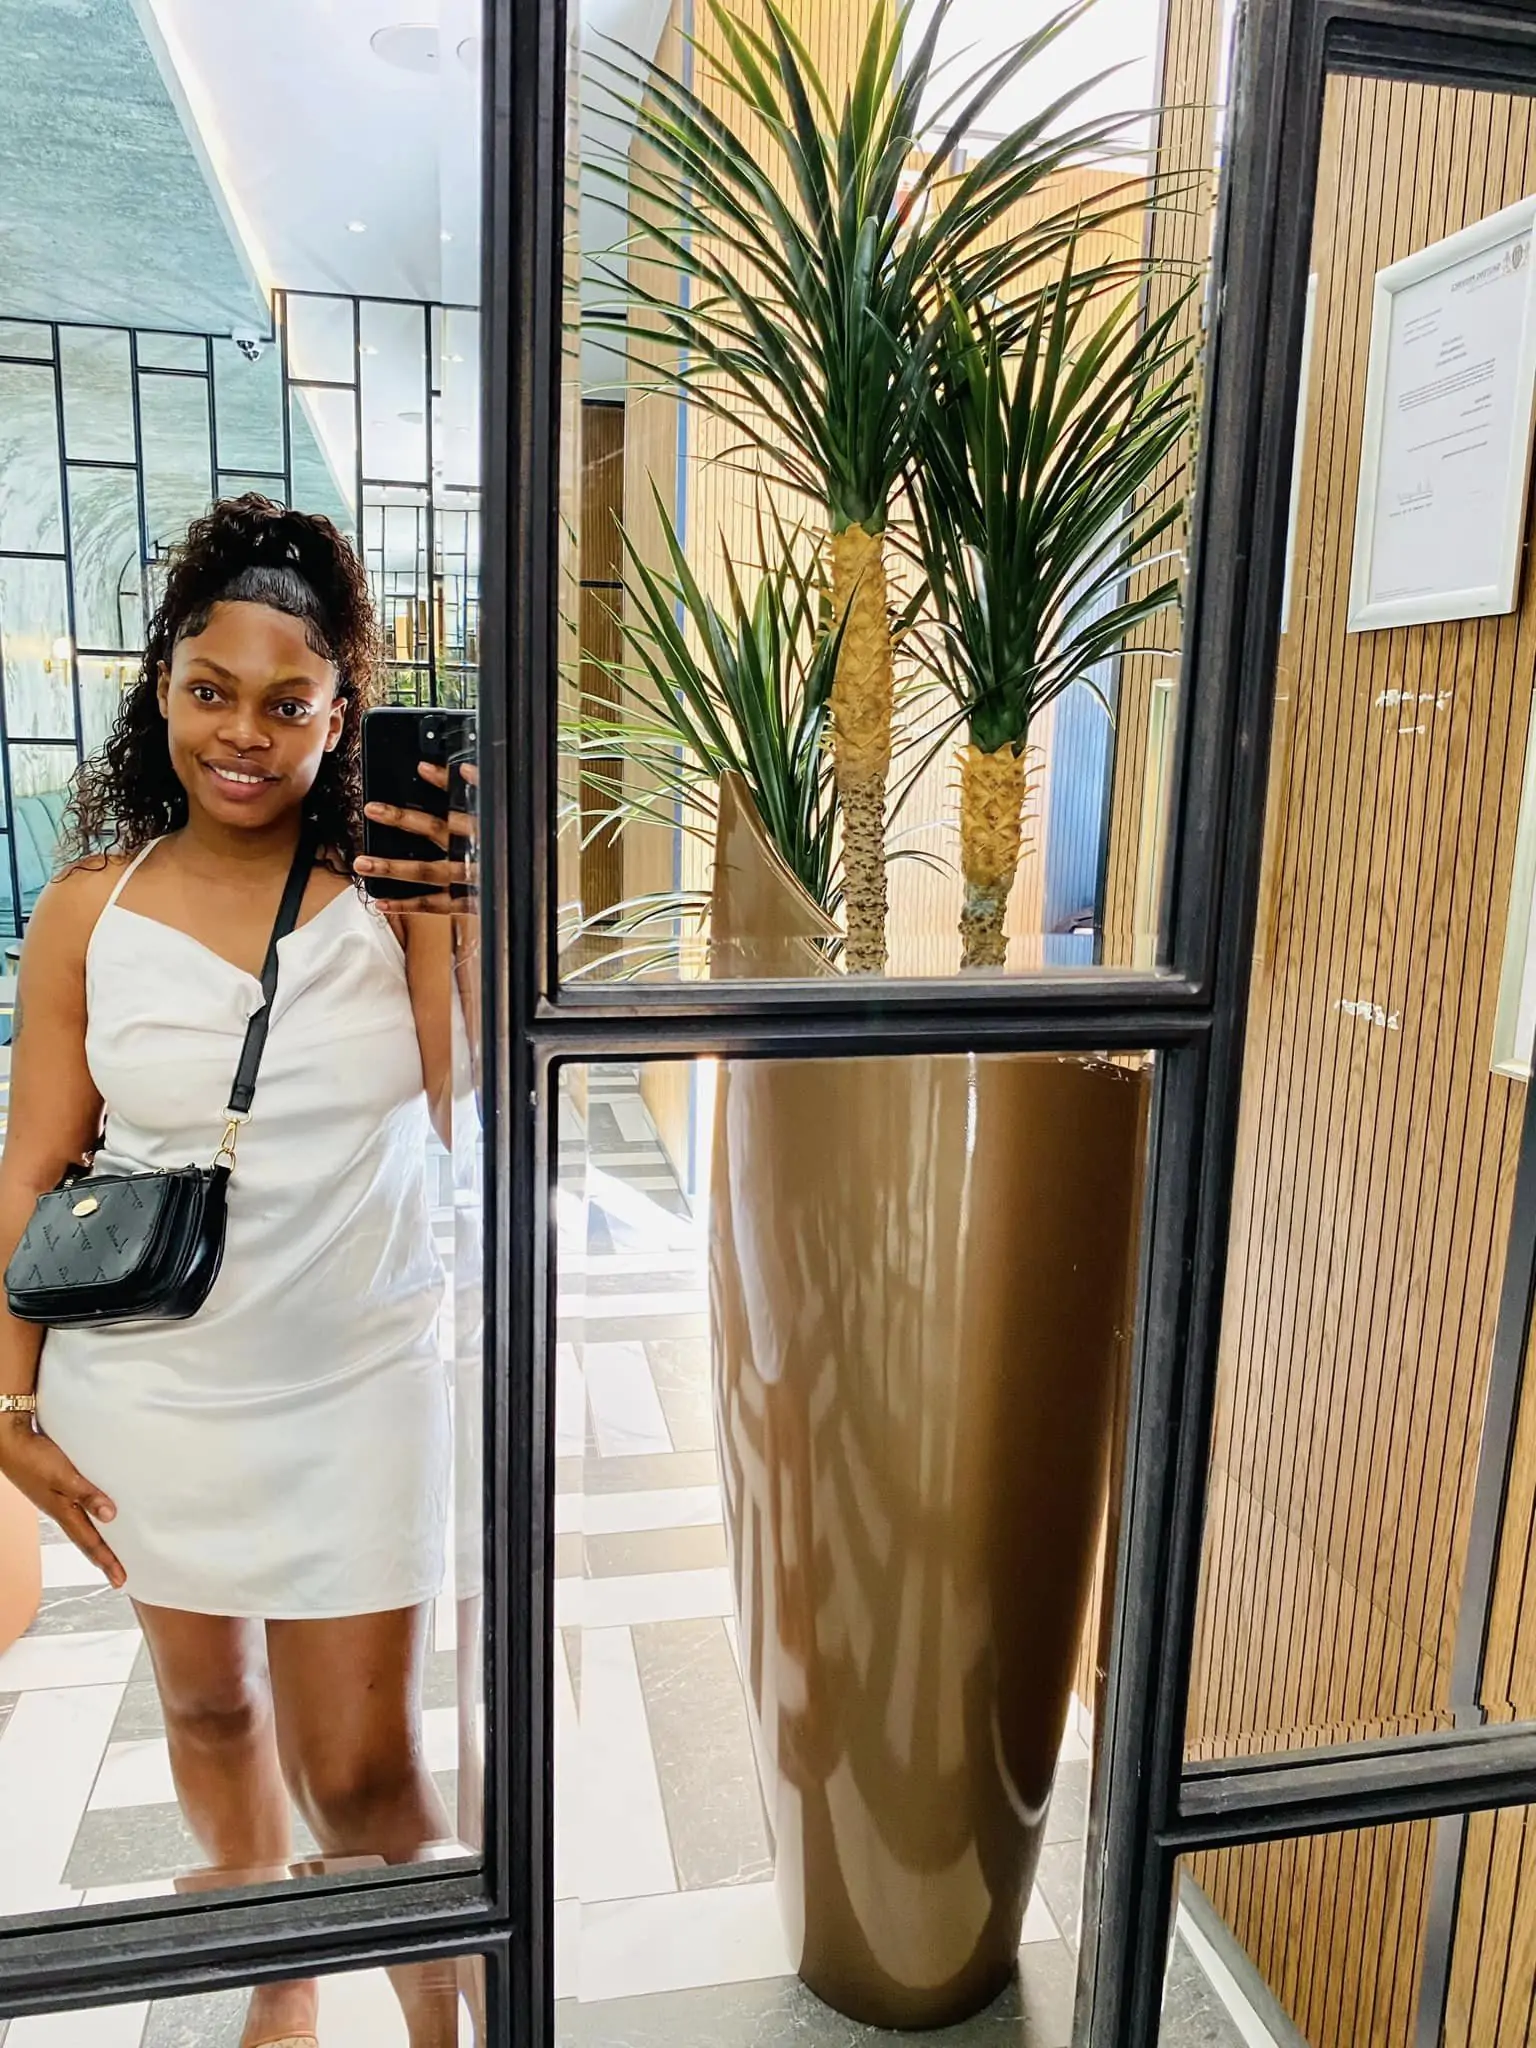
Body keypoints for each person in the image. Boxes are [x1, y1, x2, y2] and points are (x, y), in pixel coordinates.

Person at [0, 496, 462, 2048]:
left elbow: (463, 1108)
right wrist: (7, 1402)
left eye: (287, 701)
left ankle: (444, 2026)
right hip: (152, 1394)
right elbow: (33, 1167)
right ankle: (280, 1979)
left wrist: (450, 921)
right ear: (163, 690)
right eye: (212, 691)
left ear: (342, 716)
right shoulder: (89, 910)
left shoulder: (392, 904)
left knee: (369, 1778)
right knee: (206, 1708)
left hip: (355, 1389)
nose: (244, 735)